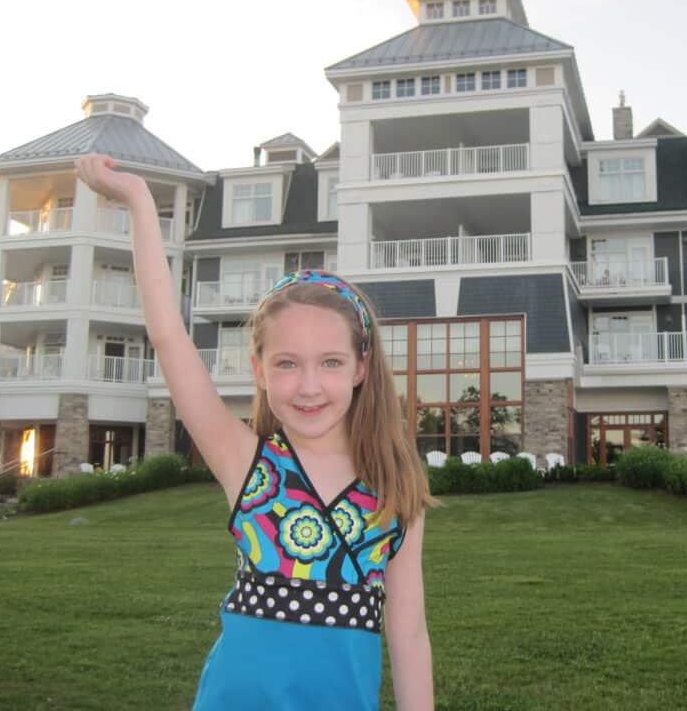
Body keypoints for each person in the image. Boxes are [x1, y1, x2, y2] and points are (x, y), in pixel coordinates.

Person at [75, 154, 436, 710]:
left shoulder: (395, 486)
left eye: (331, 363)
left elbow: (408, 633)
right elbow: (169, 335)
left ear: (362, 368)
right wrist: (140, 201)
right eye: (287, 363)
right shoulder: (247, 463)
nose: (308, 386)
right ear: (259, 370)